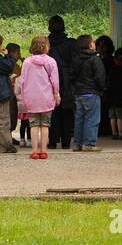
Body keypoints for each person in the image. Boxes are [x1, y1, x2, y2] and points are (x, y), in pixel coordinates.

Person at [16, 35, 60, 160]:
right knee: (45, 125)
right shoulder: (51, 62)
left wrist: (23, 97)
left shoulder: (27, 62)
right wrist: (57, 96)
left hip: (31, 98)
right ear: (46, 47)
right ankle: (43, 151)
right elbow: (55, 82)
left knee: (34, 125)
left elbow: (23, 81)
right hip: (46, 97)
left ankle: (34, 151)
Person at [70, 34, 107, 152]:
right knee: (92, 119)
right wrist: (102, 89)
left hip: (78, 94)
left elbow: (71, 76)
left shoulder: (75, 59)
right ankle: (89, 143)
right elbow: (100, 77)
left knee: (79, 119)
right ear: (91, 45)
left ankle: (77, 143)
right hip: (92, 93)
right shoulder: (95, 59)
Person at [46, 16, 78, 149]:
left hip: (49, 80)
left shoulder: (47, 43)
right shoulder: (71, 43)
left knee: (52, 111)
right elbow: (76, 62)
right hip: (67, 79)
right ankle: (66, 142)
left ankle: (53, 141)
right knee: (67, 111)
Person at [95, 35, 114, 136]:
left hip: (107, 89)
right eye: (99, 46)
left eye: (104, 46)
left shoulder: (112, 61)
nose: (101, 48)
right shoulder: (96, 60)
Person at [7, 42, 23, 146]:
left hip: (16, 93)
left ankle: (10, 135)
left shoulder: (17, 66)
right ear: (11, 53)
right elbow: (12, 77)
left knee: (14, 115)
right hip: (10, 92)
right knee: (9, 115)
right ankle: (7, 136)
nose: (20, 55)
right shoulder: (9, 65)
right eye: (18, 52)